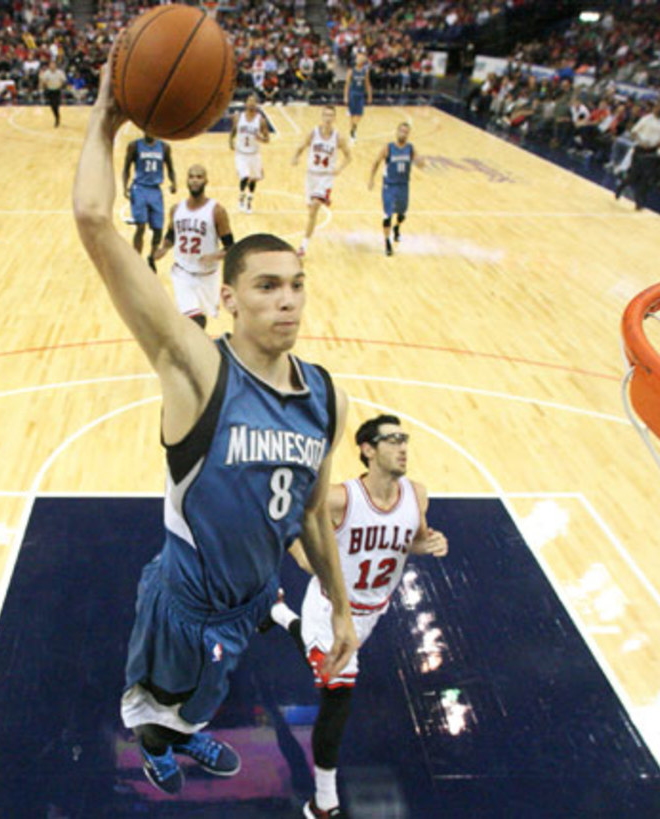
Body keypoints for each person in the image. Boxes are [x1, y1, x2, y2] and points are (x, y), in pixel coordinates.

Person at [73, 62, 359, 797]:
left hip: (247, 602)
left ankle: (186, 736)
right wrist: (105, 123)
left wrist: (341, 608)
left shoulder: (325, 395)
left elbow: (311, 516)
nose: (287, 301)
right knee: (155, 706)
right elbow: (95, 223)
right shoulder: (199, 370)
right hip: (184, 601)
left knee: (201, 703)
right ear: (227, 297)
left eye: (297, 284)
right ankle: (157, 749)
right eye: (267, 286)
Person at [269, 415, 449, 819]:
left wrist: (430, 543)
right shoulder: (340, 499)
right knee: (337, 697)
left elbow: (413, 540)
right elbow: (294, 519)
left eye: (404, 439)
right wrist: (304, 559)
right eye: (392, 440)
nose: (403, 447)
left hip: (372, 612)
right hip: (332, 611)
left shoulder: (417, 495)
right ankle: (323, 803)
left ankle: (278, 613)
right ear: (368, 450)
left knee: (321, 666)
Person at [151, 165, 233, 329]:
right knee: (194, 319)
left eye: (199, 177)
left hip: (208, 275)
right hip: (183, 273)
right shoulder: (176, 209)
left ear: (206, 181)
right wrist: (164, 248)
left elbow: (231, 246)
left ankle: (197, 348)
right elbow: (171, 235)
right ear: (187, 180)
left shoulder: (217, 211)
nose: (195, 180)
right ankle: (193, 352)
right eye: (192, 176)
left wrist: (214, 256)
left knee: (201, 318)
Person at [292, 105, 352, 258]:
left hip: (325, 177)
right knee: (310, 211)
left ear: (334, 118)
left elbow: (348, 156)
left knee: (314, 209)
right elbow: (301, 146)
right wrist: (296, 157)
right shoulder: (313, 133)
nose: (328, 118)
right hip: (311, 175)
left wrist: (340, 168)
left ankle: (303, 246)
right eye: (325, 115)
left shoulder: (338, 137)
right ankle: (322, 199)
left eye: (331, 115)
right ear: (322, 117)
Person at [122, 133, 177, 270]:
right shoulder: (134, 146)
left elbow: (170, 168)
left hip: (155, 190)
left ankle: (151, 257)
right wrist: (124, 187)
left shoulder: (164, 147)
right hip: (139, 188)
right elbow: (126, 168)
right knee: (141, 226)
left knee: (158, 229)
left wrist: (174, 182)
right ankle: (136, 260)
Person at [368, 122, 424, 255]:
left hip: (403, 185)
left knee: (402, 214)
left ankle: (397, 227)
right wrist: (371, 179)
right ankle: (387, 243)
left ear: (408, 134)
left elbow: (420, 163)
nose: (403, 134)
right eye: (401, 131)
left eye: (405, 132)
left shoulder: (410, 149)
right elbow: (376, 162)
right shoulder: (388, 148)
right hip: (389, 185)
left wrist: (421, 162)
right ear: (396, 132)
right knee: (387, 215)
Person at [230, 93, 271, 214]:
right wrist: (230, 141)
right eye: (249, 101)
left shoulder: (261, 120)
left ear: (257, 104)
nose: (251, 103)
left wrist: (261, 139)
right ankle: (241, 197)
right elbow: (233, 131)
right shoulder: (238, 117)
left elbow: (267, 139)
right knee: (244, 176)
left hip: (254, 154)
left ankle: (249, 200)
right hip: (241, 153)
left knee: (253, 179)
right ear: (246, 103)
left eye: (254, 101)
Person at [344, 52, 372, 142]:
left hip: (361, 94)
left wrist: (369, 96)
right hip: (353, 94)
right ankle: (352, 133)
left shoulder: (365, 71)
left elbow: (367, 84)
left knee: (359, 115)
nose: (359, 60)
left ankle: (353, 128)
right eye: (358, 58)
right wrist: (345, 96)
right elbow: (347, 84)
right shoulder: (351, 71)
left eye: (361, 58)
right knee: (352, 115)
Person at [38, 59, 68, 127]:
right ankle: (56, 116)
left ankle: (57, 118)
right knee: (52, 106)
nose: (52, 66)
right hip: (50, 91)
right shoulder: (46, 73)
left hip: (57, 90)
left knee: (56, 104)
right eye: (51, 64)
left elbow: (64, 80)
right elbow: (43, 81)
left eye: (53, 64)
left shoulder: (60, 72)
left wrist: (61, 85)